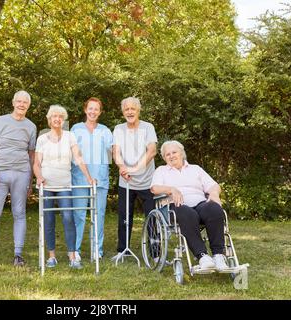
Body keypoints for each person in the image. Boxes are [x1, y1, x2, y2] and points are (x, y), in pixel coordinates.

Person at [0, 90, 36, 269]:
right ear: (13, 102)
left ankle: (18, 255)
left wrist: (31, 180)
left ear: (28, 105)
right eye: (19, 101)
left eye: (25, 102)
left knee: (19, 214)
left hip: (21, 174)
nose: (21, 104)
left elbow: (31, 155)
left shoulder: (31, 126)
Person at [150, 140, 230, 271]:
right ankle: (202, 256)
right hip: (176, 205)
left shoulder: (195, 169)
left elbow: (213, 185)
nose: (171, 156)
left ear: (182, 153)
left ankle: (218, 255)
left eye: (174, 152)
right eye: (167, 154)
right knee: (187, 213)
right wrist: (171, 189)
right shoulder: (161, 170)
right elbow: (154, 188)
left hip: (199, 203)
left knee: (214, 208)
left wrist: (214, 193)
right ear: (164, 158)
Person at [33, 104, 95, 269]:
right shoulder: (42, 139)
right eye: (54, 116)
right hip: (46, 186)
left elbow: (79, 157)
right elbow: (36, 164)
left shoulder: (70, 136)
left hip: (65, 185)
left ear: (63, 120)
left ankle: (72, 256)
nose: (57, 119)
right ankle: (51, 256)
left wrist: (89, 177)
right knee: (48, 220)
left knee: (68, 219)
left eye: (60, 116)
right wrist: (39, 177)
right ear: (49, 119)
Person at [112, 97, 158, 260]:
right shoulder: (118, 128)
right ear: (123, 112)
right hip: (126, 181)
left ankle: (156, 254)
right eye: (126, 109)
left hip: (147, 181)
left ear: (138, 110)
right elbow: (116, 152)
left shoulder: (148, 127)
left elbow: (152, 151)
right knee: (124, 217)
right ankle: (122, 251)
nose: (130, 112)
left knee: (152, 217)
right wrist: (122, 167)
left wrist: (135, 168)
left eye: (133, 109)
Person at [71, 98, 113, 261]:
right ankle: (76, 249)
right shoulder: (75, 129)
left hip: (100, 179)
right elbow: (71, 153)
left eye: (96, 109)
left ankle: (97, 249)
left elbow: (112, 152)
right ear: (85, 109)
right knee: (79, 215)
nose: (93, 112)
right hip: (79, 178)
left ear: (100, 112)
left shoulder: (105, 131)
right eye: (90, 108)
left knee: (99, 214)